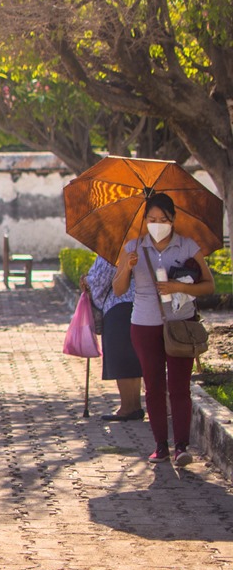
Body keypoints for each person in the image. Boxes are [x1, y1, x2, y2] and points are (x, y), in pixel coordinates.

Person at [113, 192, 214, 464]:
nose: (158, 224)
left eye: (164, 219)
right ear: (145, 219)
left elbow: (209, 285)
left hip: (181, 324)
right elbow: (118, 288)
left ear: (173, 220)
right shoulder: (134, 247)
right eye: (152, 219)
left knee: (180, 387)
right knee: (154, 386)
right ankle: (161, 445)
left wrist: (179, 287)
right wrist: (127, 267)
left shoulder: (187, 246)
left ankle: (181, 445)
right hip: (144, 324)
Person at [84, 255, 143, 421]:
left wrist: (86, 281)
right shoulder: (142, 246)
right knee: (132, 359)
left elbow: (100, 280)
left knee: (121, 359)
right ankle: (134, 405)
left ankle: (127, 407)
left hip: (119, 306)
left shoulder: (115, 250)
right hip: (140, 305)